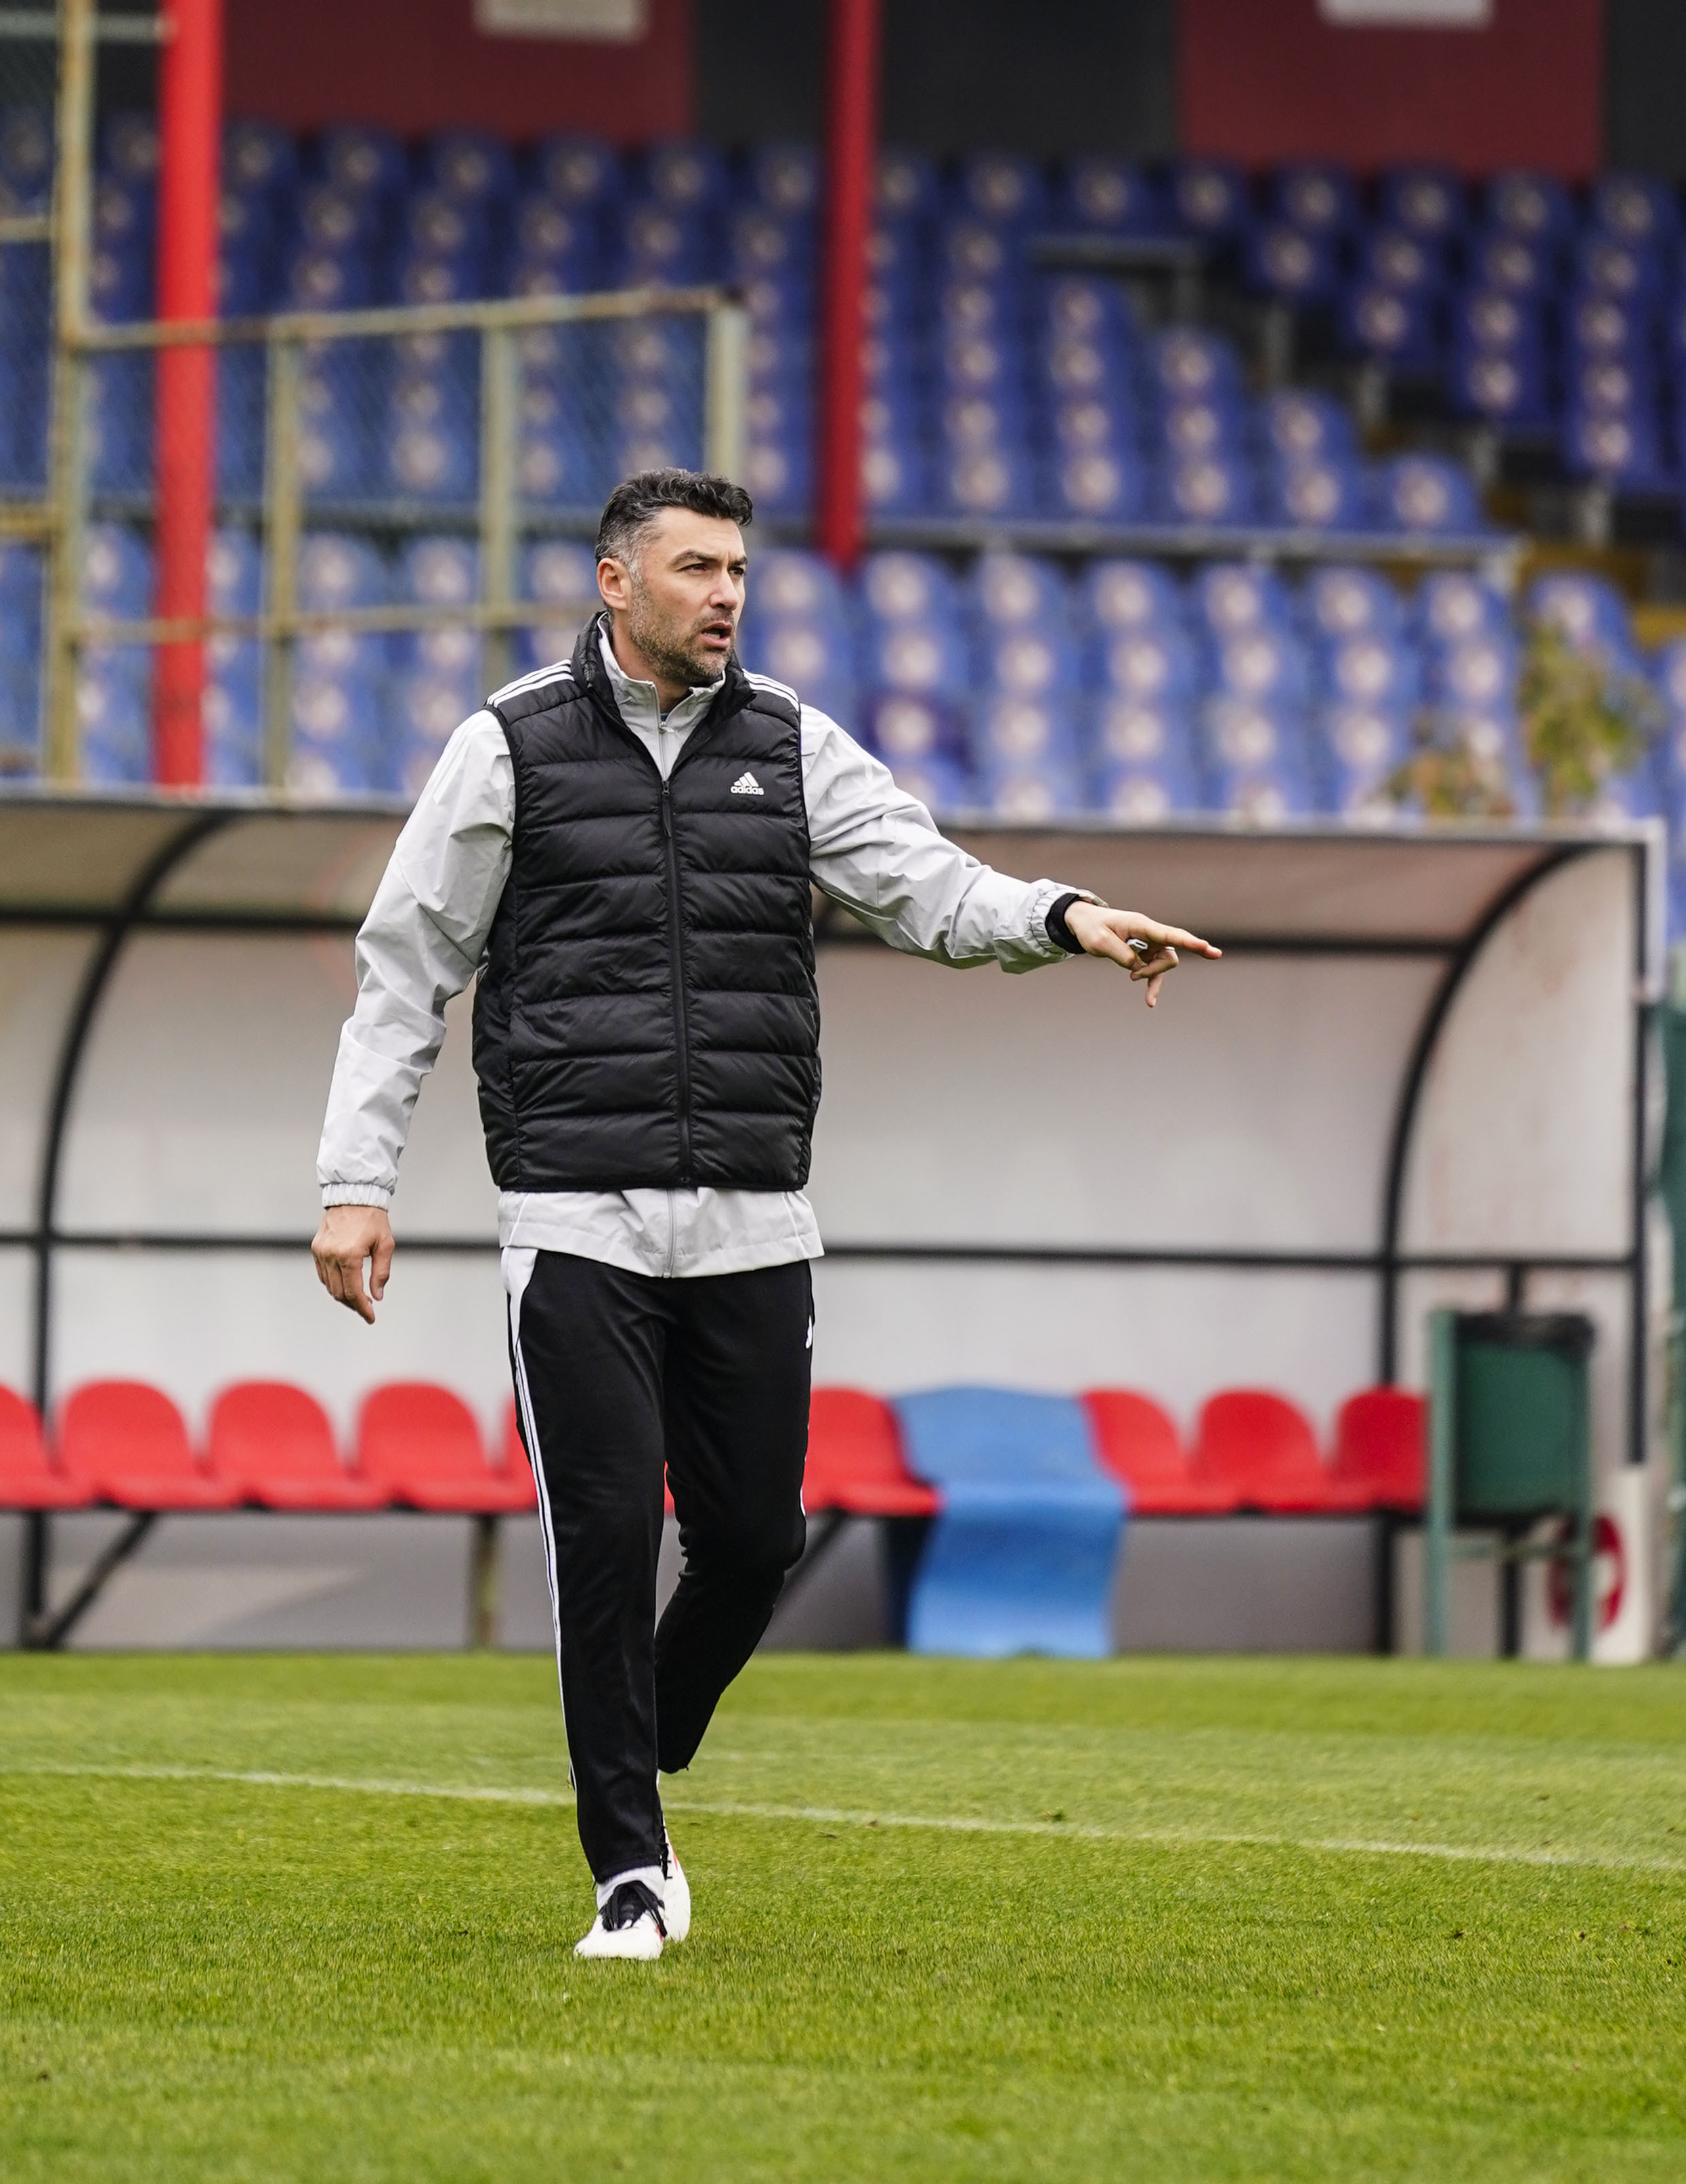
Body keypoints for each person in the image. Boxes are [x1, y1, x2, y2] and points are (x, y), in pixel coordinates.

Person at [312, 468, 1219, 1960]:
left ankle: (643, 1732)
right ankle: (629, 1865)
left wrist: (1062, 915)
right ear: (616, 581)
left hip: (756, 1220)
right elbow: (405, 969)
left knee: (749, 1543)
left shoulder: (791, 742)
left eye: (736, 568)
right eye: (694, 567)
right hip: (576, 1219)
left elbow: (927, 886)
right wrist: (356, 1184)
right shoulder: (508, 745)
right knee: (606, 1538)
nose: (725, 593)